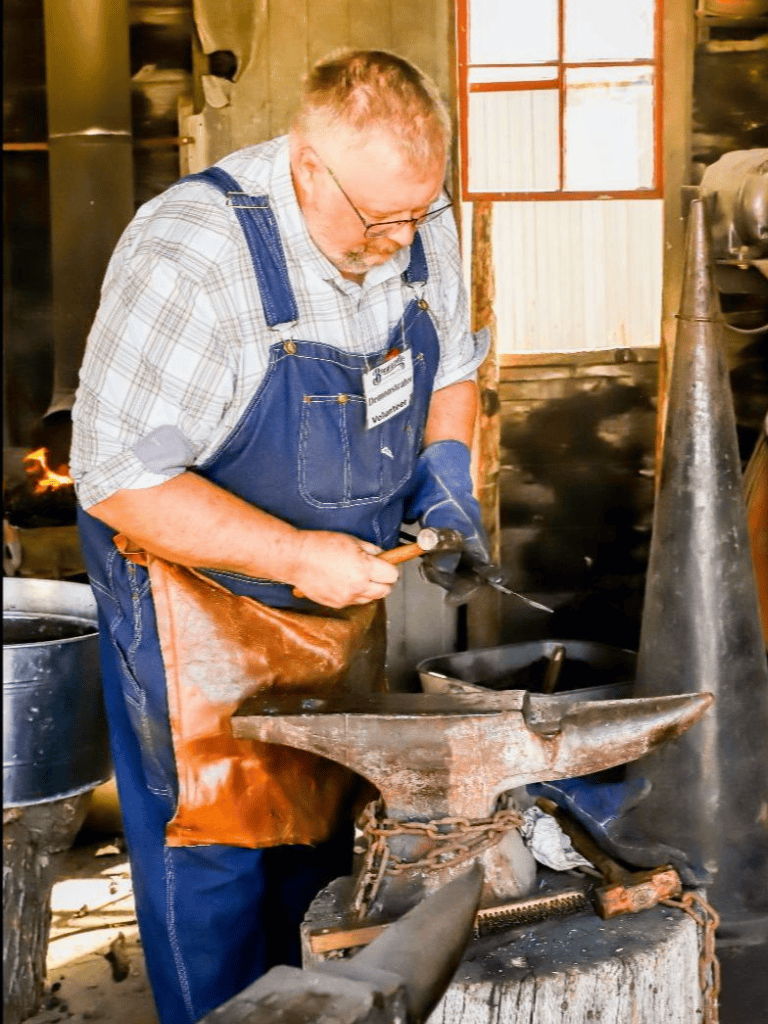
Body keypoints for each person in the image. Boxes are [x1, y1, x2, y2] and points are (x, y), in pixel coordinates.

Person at [70, 49, 490, 1024]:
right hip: (197, 610)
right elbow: (119, 479)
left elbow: (454, 369)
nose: (399, 240)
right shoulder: (193, 251)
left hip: (335, 605)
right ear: (307, 166)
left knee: (316, 838)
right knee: (218, 849)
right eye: (377, 219)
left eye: (417, 214)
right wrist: (298, 556)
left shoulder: (417, 219)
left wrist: (449, 481)